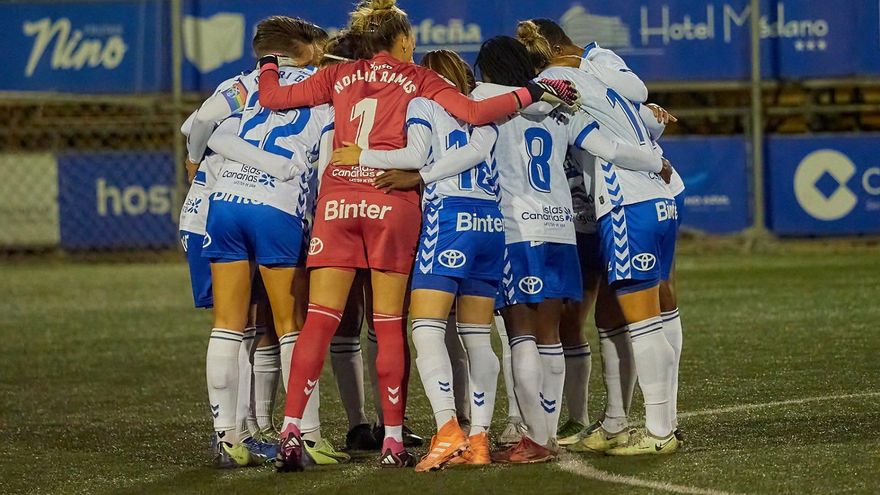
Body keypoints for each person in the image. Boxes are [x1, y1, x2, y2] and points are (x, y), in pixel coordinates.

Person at [255, 0, 579, 471]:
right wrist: (534, 91)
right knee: (389, 324)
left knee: (320, 321)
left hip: (340, 200)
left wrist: (268, 63)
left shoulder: (337, 77)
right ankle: (391, 440)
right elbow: (474, 110)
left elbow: (273, 99)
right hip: (392, 204)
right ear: (403, 40)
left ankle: (290, 431)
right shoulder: (419, 80)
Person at [185, 16, 349, 467]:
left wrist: (194, 161)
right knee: (290, 324)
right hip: (277, 204)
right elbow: (329, 159)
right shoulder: (325, 85)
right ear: (306, 48)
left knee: (227, 324)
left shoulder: (244, 83)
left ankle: (227, 439)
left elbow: (197, 124)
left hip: (225, 200)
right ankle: (308, 436)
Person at [332, 49, 504, 471]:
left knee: (425, 330)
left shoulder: (423, 102)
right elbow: (479, 150)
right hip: (489, 222)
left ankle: (447, 430)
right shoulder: (482, 107)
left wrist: (362, 156)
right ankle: (479, 436)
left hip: (448, 220)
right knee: (477, 336)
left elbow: (415, 154)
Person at [517, 19, 682, 455]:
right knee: (651, 317)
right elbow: (648, 115)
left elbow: (543, 115)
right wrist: (656, 154)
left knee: (642, 323)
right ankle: (649, 424)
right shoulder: (599, 78)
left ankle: (660, 432)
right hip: (659, 203)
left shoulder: (557, 84)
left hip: (627, 206)